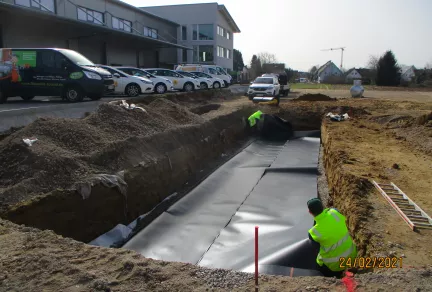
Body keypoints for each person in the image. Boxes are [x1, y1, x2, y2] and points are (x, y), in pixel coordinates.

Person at [307, 198, 357, 278]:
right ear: (323, 206)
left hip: (334, 266)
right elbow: (333, 209)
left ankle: (333, 279)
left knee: (318, 263)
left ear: (310, 212)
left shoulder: (313, 232)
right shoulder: (335, 213)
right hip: (352, 257)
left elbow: (316, 250)